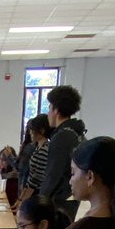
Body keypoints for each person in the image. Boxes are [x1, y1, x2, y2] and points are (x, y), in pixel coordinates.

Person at [40, 85, 85, 219]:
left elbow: (53, 175)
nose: (48, 113)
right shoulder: (76, 132)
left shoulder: (62, 136)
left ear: (56, 110)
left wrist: (40, 202)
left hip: (59, 200)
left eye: (49, 107)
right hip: (70, 196)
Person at [14, 114, 53, 211]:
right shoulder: (38, 147)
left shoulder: (45, 149)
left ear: (42, 131)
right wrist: (20, 198)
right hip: (31, 191)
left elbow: (36, 178)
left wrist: (23, 200)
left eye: (32, 130)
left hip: (37, 194)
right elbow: (31, 177)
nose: (30, 132)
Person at [0, 145, 19, 209]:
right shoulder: (4, 170)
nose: (0, 162)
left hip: (12, 205)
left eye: (4, 160)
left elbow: (10, 197)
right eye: (0, 159)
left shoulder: (14, 173)